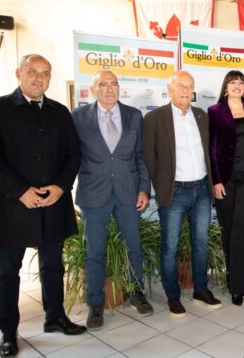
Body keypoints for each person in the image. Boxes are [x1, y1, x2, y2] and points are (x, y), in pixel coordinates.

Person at [0, 54, 85, 358]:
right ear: (19, 74)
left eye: (45, 73)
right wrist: (20, 190)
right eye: (33, 72)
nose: (39, 78)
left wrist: (61, 187)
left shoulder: (59, 112)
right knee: (8, 270)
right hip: (14, 205)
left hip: (53, 202)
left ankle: (55, 317)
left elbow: (73, 154)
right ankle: (8, 332)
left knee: (53, 264)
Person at [71, 70, 153, 330]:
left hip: (128, 192)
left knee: (133, 246)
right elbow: (70, 156)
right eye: (103, 84)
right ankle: (95, 303)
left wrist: (144, 189)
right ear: (93, 89)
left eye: (114, 84)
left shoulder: (134, 116)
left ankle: (136, 293)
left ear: (119, 88)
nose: (109, 88)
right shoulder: (78, 117)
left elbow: (141, 156)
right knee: (94, 252)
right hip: (93, 193)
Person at [142, 70, 221, 318]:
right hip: (174, 192)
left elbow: (210, 151)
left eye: (190, 86)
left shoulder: (202, 116)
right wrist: (162, 185)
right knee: (170, 247)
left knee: (201, 244)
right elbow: (149, 158)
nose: (186, 91)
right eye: (181, 86)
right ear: (170, 89)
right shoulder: (155, 118)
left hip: (202, 190)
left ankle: (200, 290)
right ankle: (173, 296)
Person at [208, 70, 244, 306]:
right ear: (226, 87)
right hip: (225, 180)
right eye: (233, 82)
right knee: (229, 228)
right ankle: (232, 278)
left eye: (241, 82)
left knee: (243, 227)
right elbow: (212, 149)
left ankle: (239, 287)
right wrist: (216, 180)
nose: (237, 85)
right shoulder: (214, 111)